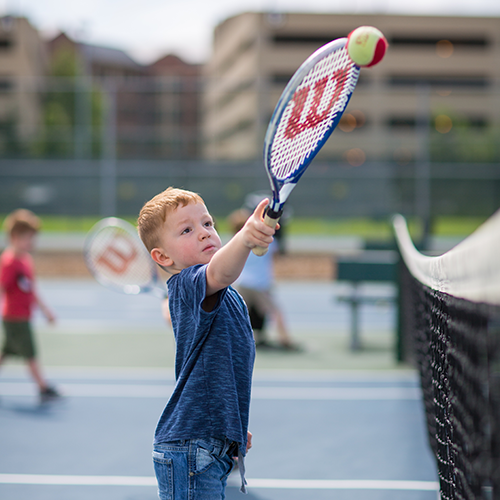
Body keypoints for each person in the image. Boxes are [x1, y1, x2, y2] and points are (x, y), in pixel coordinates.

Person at [137, 187, 277, 499]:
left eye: (207, 224)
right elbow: (220, 271)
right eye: (187, 230)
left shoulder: (222, 295)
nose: (204, 233)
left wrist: (232, 426)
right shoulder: (190, 284)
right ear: (162, 257)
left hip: (207, 445)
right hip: (191, 450)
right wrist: (245, 238)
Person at [0, 209, 60, 403]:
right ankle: (43, 387)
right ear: (14, 237)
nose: (32, 243)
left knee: (6, 352)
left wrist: (45, 310)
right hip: (14, 317)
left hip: (23, 315)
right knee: (30, 354)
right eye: (28, 238)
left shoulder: (25, 260)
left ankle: (42, 387)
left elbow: (31, 289)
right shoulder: (9, 262)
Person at [228, 208, 299, 351]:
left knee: (233, 315)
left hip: (242, 284)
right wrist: (279, 232)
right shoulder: (265, 242)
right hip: (260, 285)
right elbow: (278, 253)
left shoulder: (235, 242)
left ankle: (227, 342)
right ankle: (285, 340)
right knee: (275, 312)